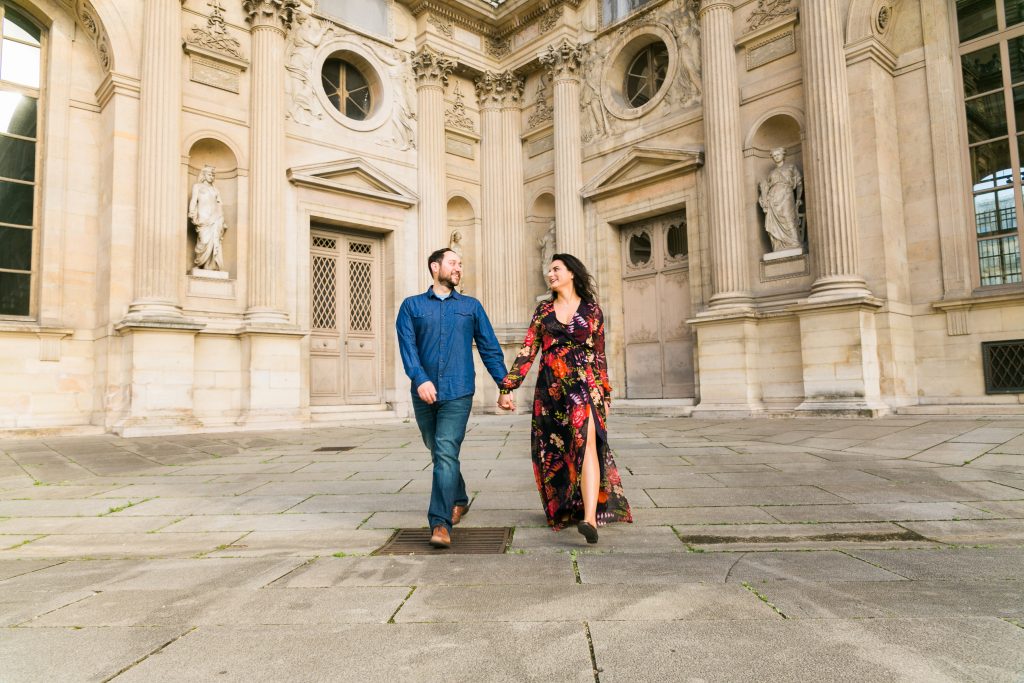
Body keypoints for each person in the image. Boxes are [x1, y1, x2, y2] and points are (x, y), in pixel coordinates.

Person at [497, 253, 632, 544]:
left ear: (572, 273)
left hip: (586, 387)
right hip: (551, 392)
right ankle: (572, 505)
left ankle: (590, 519)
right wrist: (508, 387)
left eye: (556, 269)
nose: (551, 274)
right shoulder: (543, 311)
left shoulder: (593, 311)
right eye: (549, 270)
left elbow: (599, 354)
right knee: (561, 451)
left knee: (588, 445)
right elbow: (528, 350)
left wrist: (606, 392)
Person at [396, 248, 508, 549]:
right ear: (436, 267)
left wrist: (504, 386)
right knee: (437, 449)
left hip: (458, 391)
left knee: (445, 450)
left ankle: (440, 523)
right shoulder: (411, 306)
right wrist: (420, 379)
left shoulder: (471, 306)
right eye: (453, 263)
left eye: (460, 264)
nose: (459, 268)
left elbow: (489, 347)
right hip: (424, 394)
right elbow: (408, 348)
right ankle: (459, 497)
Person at [758, 147, 804, 252]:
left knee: (788, 217)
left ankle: (794, 242)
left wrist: (798, 199)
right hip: (773, 199)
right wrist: (764, 196)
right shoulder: (771, 173)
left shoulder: (791, 167)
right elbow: (766, 187)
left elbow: (799, 183)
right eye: (774, 156)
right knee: (774, 222)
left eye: (778, 154)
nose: (776, 157)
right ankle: (778, 245)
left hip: (786, 196)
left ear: (783, 155)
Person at [188, 165, 227, 271]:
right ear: (204, 175)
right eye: (210, 174)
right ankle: (201, 263)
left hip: (216, 218)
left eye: (213, 175)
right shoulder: (197, 186)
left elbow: (219, 204)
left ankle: (211, 265)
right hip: (203, 218)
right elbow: (193, 200)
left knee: (214, 241)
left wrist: (222, 219)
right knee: (204, 241)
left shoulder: (215, 189)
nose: (212, 177)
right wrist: (192, 213)